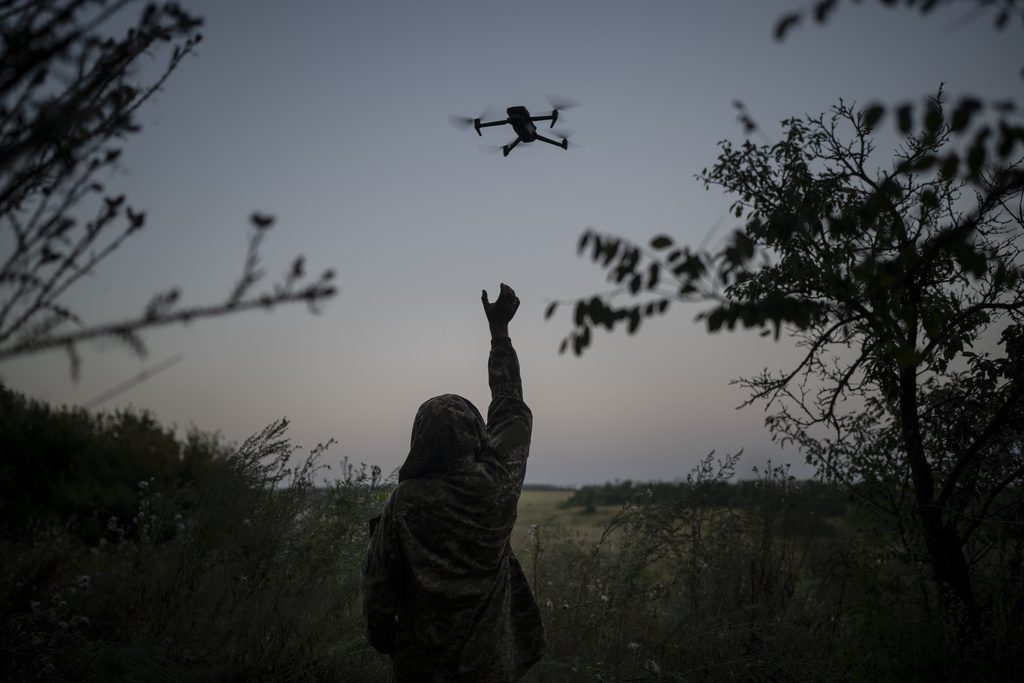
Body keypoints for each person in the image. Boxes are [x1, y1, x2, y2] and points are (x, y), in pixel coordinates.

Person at [361, 283, 546, 682]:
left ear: (420, 439)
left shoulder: (404, 503)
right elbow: (511, 409)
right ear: (475, 435)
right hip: (490, 667)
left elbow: (378, 587)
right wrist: (500, 335)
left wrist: (385, 640)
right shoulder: (498, 484)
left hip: (420, 669)